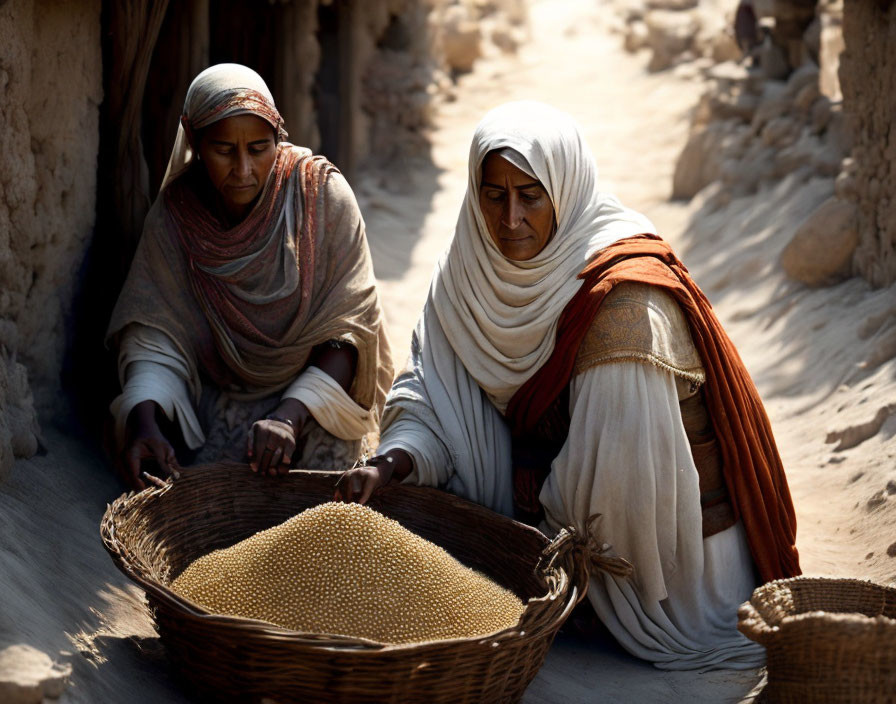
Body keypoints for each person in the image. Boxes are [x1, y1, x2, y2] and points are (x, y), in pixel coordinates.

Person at [336, 101, 800, 670]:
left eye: (531, 196)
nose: (510, 221)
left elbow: (617, 484)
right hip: (542, 520)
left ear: (566, 188)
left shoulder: (625, 306)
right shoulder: (468, 275)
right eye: (494, 195)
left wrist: (517, 549)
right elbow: (430, 388)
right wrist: (394, 461)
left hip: (660, 569)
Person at [107, 64, 393, 490]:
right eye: (223, 150)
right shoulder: (177, 218)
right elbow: (155, 334)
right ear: (196, 143)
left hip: (315, 401)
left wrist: (288, 416)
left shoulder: (320, 197)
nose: (242, 170)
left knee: (323, 493)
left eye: (259, 148)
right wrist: (144, 420)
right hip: (219, 402)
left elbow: (350, 330)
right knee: (197, 490)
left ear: (279, 139)